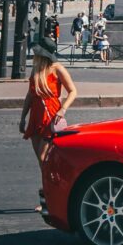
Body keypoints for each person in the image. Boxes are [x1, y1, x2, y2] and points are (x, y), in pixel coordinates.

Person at [19, 36, 78, 203]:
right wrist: (23, 117)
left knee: (45, 158)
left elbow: (73, 91)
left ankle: (50, 197)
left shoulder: (58, 68)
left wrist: (63, 109)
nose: (34, 54)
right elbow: (30, 95)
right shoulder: (36, 69)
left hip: (50, 115)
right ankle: (51, 193)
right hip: (36, 117)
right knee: (41, 161)